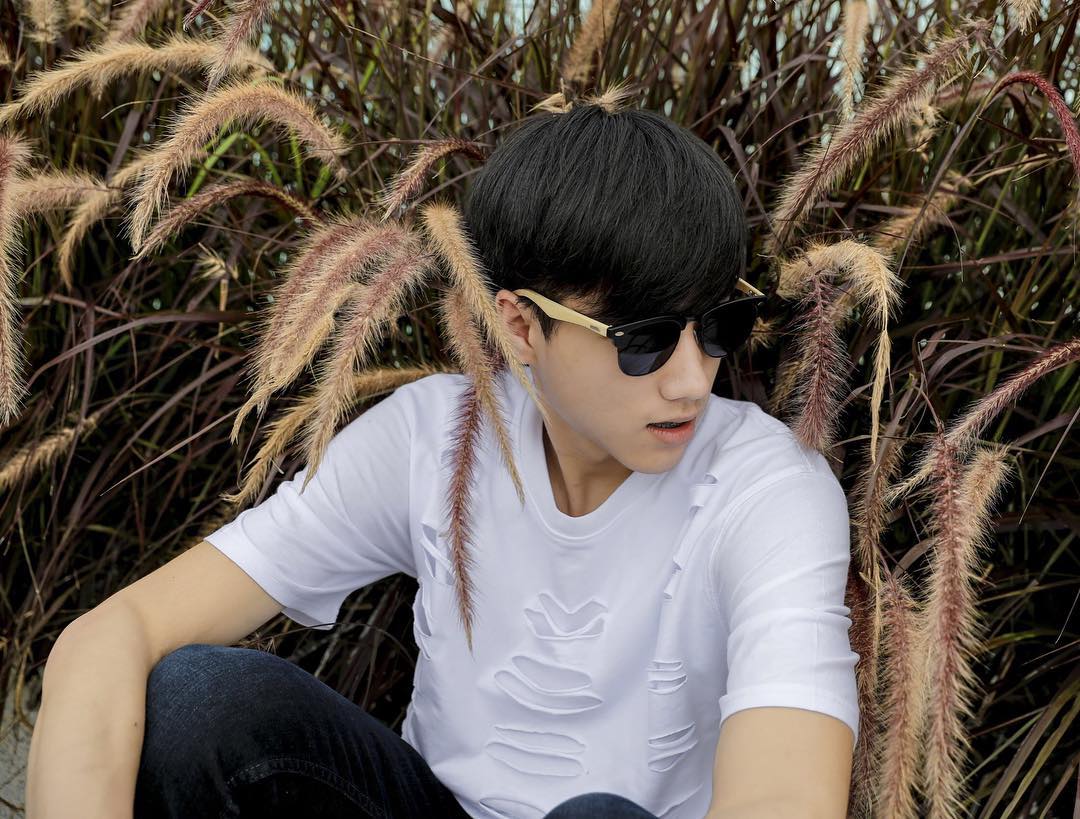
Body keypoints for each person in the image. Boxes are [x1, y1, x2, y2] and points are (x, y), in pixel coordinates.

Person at [27, 101, 859, 819]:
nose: (691, 378)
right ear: (521, 325)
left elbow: (785, 797)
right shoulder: (436, 437)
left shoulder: (767, 489)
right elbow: (110, 635)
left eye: (717, 326)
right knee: (199, 701)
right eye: (644, 339)